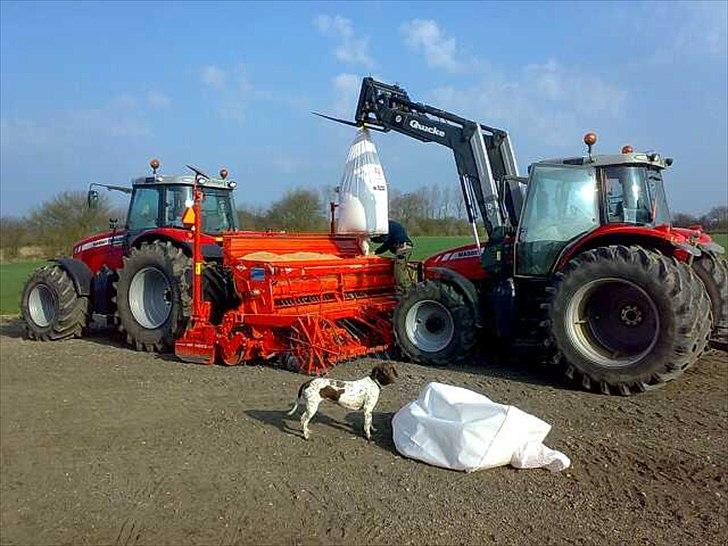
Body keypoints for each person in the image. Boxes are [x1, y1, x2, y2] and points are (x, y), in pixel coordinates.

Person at [371, 220, 414, 290]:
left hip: (403, 247)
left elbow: (383, 239)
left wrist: (371, 238)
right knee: (401, 266)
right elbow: (387, 244)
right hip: (405, 246)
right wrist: (375, 252)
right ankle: (402, 287)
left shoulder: (387, 226)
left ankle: (402, 289)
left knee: (398, 269)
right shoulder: (393, 225)